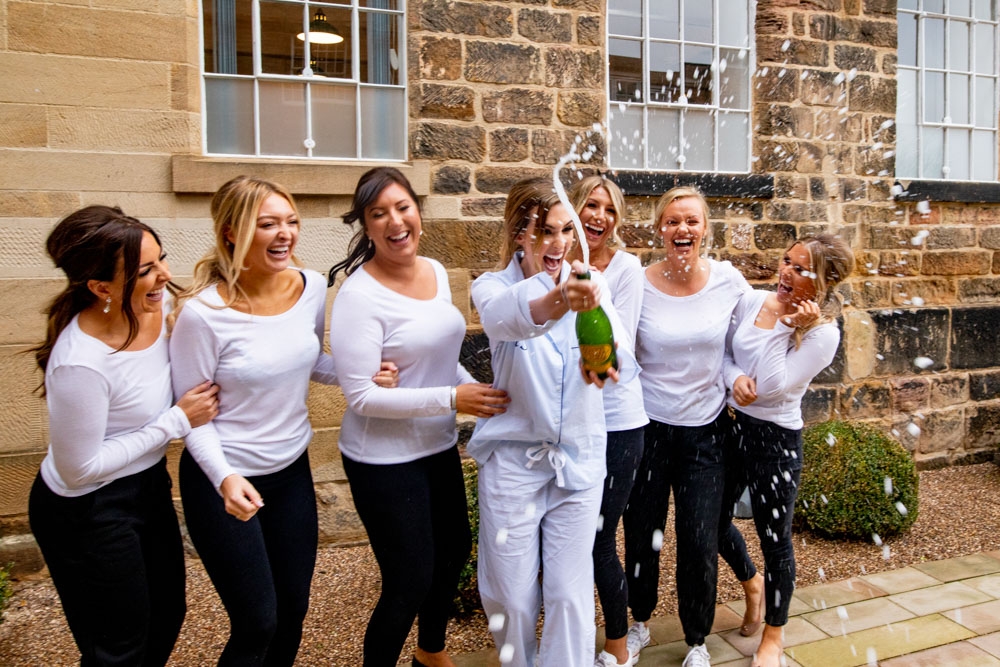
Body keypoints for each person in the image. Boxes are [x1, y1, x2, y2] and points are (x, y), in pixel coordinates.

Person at [168, 176, 394, 666]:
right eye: (267, 224)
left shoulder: (311, 286)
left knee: (292, 612)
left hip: (290, 474)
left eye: (291, 221)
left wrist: (363, 374)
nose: (285, 234)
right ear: (231, 233)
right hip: (222, 480)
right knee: (257, 622)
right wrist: (225, 477)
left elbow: (309, 359)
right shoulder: (202, 314)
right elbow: (193, 416)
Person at [327, 167, 509, 667]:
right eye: (378, 214)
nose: (394, 221)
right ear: (366, 226)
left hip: (435, 445)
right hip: (381, 458)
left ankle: (430, 654)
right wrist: (454, 399)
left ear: (418, 213)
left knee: (452, 557)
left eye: (401, 207)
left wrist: (469, 386)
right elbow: (362, 397)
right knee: (408, 580)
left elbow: (438, 355)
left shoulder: (432, 270)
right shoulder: (359, 296)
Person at [28, 205, 219, 666]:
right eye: (146, 271)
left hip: (147, 487)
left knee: (168, 614)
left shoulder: (163, 306)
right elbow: (78, 470)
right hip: (87, 508)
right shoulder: (81, 362)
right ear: (100, 288)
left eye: (162, 259)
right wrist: (176, 421)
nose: (164, 276)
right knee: (118, 645)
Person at [469, 178, 637, 667]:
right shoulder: (491, 287)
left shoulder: (591, 282)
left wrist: (603, 357)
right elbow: (518, 315)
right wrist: (565, 299)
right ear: (520, 233)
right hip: (514, 465)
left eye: (567, 230)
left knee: (568, 594)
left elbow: (615, 359)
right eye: (546, 231)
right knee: (513, 598)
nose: (560, 242)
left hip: (579, 462)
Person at [622, 186, 752, 667]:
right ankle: (638, 625)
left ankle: (697, 641)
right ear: (660, 228)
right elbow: (618, 348)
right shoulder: (638, 282)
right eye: (673, 221)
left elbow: (748, 338)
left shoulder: (728, 280)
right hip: (649, 429)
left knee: (698, 540)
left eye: (691, 221)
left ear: (705, 229)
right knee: (642, 534)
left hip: (707, 432)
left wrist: (742, 376)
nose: (683, 229)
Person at [718, 235, 854, 667]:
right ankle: (751, 583)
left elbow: (773, 386)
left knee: (775, 540)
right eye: (785, 262)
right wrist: (732, 378)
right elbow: (721, 355)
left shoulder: (823, 334)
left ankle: (773, 636)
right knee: (711, 522)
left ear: (823, 282)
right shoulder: (751, 301)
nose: (786, 273)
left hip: (774, 441)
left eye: (800, 269)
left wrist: (785, 329)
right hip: (729, 428)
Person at [567, 176, 648, 667]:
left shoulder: (627, 269)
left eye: (608, 210)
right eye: (590, 206)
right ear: (574, 210)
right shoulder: (556, 260)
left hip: (618, 422)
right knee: (570, 538)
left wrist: (590, 292)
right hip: (572, 421)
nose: (598, 216)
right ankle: (571, 637)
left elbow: (624, 353)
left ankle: (618, 646)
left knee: (598, 537)